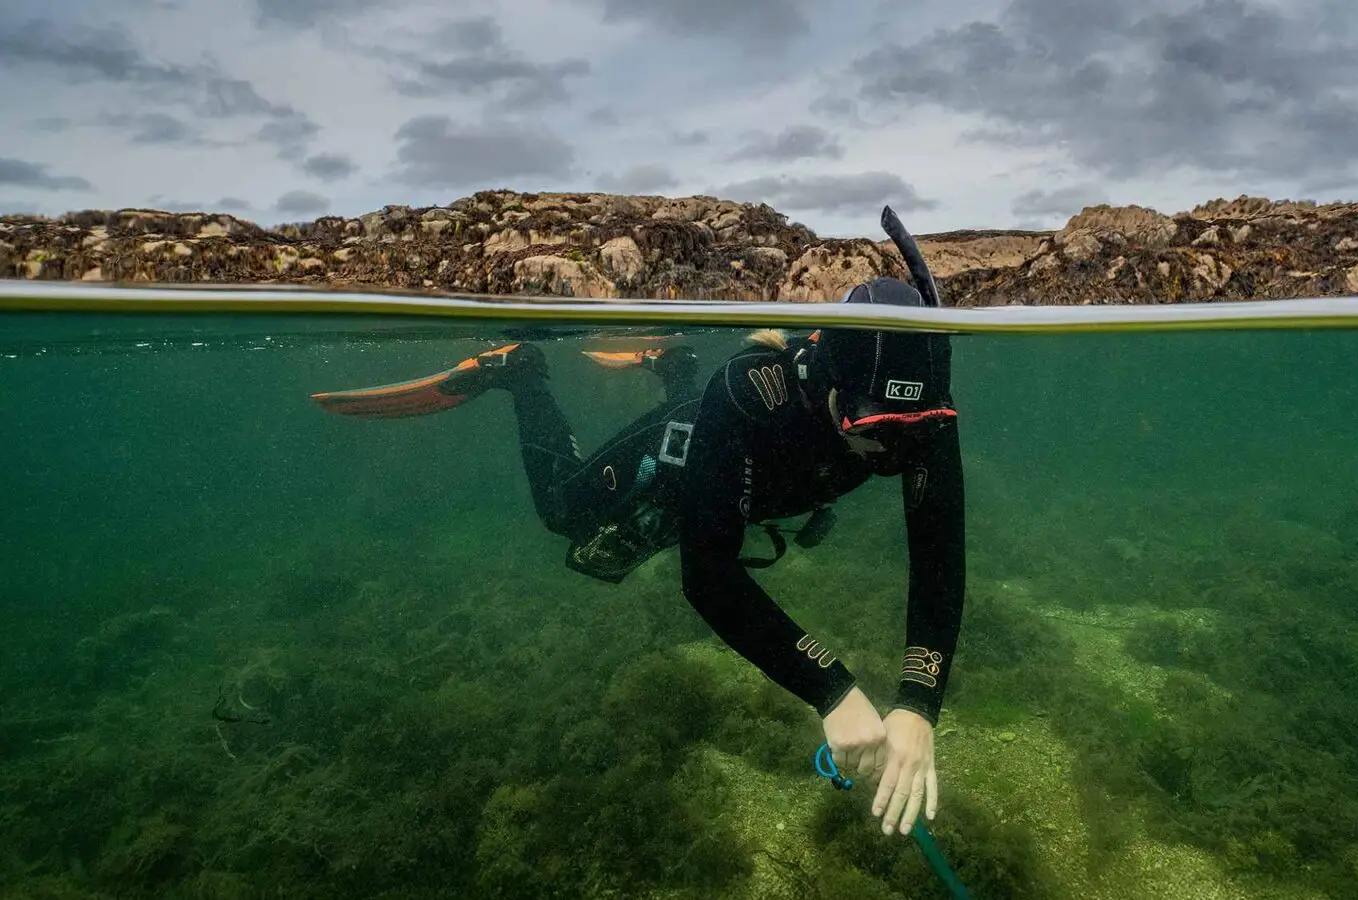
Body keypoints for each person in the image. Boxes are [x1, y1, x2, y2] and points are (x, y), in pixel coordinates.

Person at [310, 206, 966, 838]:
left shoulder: (919, 416)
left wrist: (918, 702)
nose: (896, 451)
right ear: (828, 391)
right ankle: (522, 372)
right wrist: (832, 688)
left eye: (915, 430)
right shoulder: (752, 391)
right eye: (872, 429)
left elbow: (939, 555)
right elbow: (708, 576)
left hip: (752, 474)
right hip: (683, 452)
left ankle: (670, 363)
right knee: (564, 514)